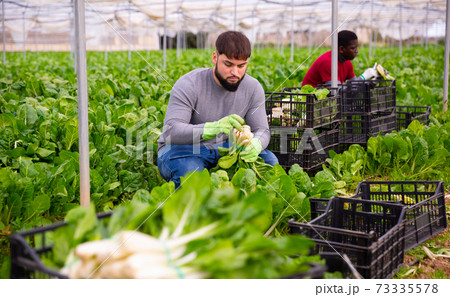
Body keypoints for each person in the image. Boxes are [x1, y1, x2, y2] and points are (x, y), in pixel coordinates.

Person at [157, 31, 278, 188]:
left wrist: (257, 143)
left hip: (227, 148)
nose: (235, 72)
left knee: (270, 162)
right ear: (215, 58)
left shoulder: (253, 87)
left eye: (241, 66)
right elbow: (171, 131)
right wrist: (212, 127)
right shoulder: (189, 84)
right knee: (191, 174)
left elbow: (262, 129)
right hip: (182, 148)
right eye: (228, 64)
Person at [301, 30, 378, 88]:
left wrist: (371, 82)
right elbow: (336, 91)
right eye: (353, 48)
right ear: (341, 49)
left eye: (356, 47)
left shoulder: (347, 63)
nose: (357, 51)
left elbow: (354, 86)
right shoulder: (328, 62)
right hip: (311, 101)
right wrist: (363, 77)